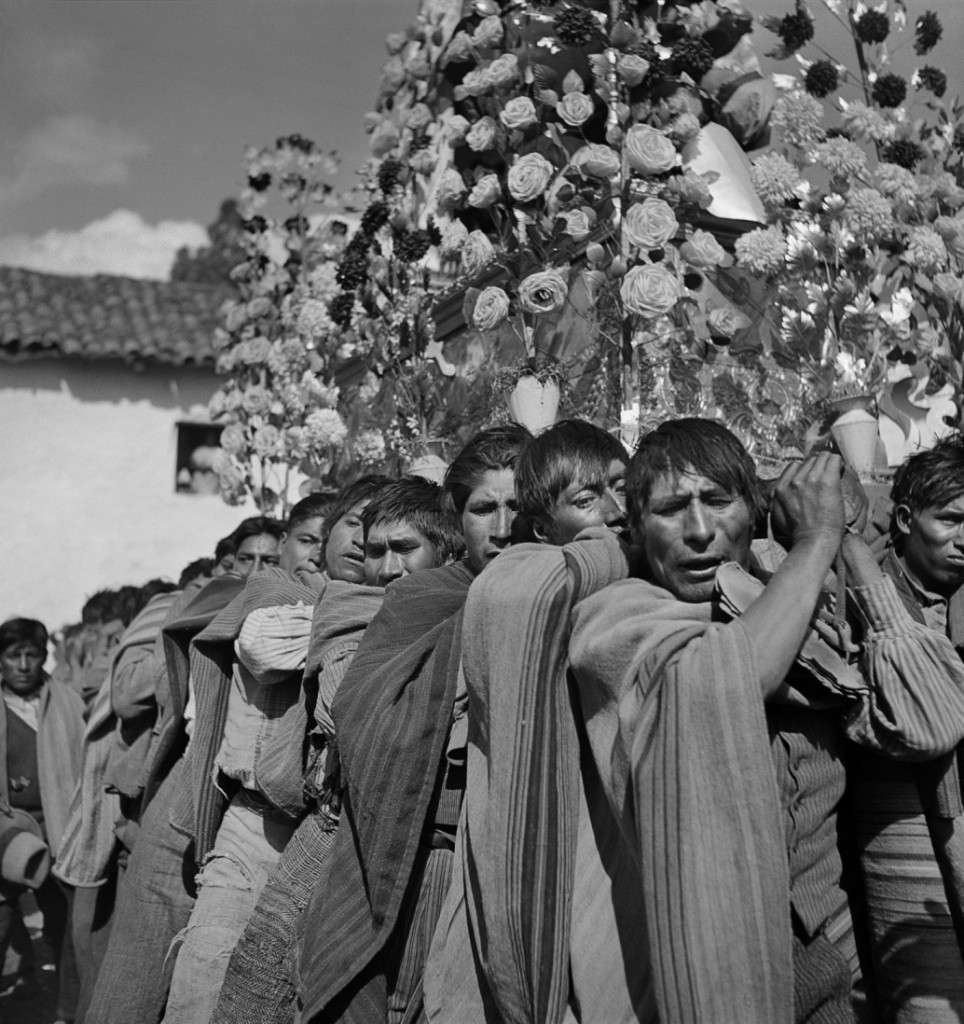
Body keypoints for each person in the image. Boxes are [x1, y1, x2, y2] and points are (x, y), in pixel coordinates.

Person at [426, 418, 964, 1024]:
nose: (700, 531)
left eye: (717, 501)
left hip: (829, 959)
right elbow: (726, 681)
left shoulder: (801, 602)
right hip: (683, 970)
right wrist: (816, 541)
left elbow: (930, 721)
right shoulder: (620, 613)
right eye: (671, 509)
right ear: (636, 526)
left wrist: (848, 548)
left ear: (755, 509)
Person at [292, 424, 529, 1024]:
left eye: (517, 507)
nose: (502, 527)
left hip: (511, 870)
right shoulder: (415, 605)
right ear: (460, 523)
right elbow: (363, 721)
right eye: (484, 508)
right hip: (416, 854)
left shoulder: (561, 595)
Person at [83, 514, 286, 1024]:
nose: (257, 568)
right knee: (133, 956)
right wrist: (201, 625)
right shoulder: (193, 603)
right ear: (228, 562)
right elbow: (127, 696)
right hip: (163, 789)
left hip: (240, 804)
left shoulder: (286, 610)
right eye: (247, 559)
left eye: (269, 559)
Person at [845, 434, 964, 1021]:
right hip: (901, 848)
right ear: (903, 519)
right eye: (951, 519)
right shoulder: (860, 603)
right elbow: (920, 726)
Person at [0, 617, 85, 1021]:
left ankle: (65, 1009)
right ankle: (27, 977)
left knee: (68, 922)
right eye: (12, 655)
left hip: (63, 830)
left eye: (31, 655)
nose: (22, 665)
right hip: (8, 836)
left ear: (43, 657)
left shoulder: (68, 702)